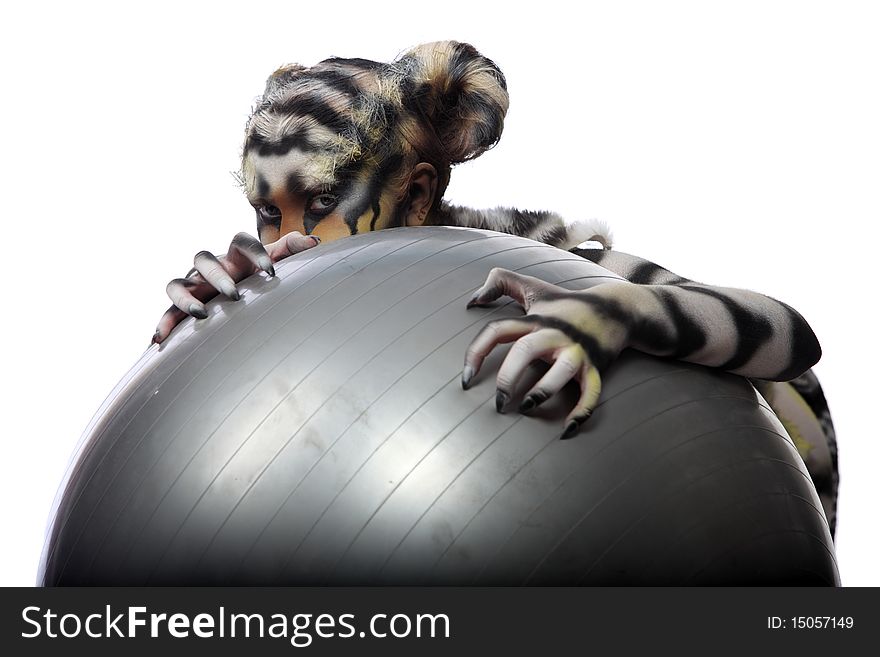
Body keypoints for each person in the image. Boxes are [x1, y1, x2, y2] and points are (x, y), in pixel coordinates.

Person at [151, 41, 837, 533]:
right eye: (267, 211)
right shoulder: (297, 292)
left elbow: (791, 340)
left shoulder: (548, 262)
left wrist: (620, 309)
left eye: (321, 202)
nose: (283, 243)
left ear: (417, 194)